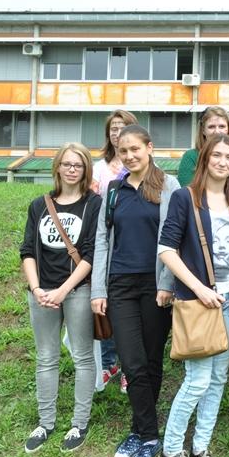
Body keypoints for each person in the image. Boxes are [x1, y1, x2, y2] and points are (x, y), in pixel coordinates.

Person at [157, 133, 229, 457]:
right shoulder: (185, 197)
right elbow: (166, 250)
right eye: (217, 155)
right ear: (206, 158)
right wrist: (198, 289)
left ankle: (200, 447)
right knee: (197, 380)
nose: (223, 162)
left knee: (218, 379)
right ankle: (171, 449)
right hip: (197, 302)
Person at [91, 125, 180, 457]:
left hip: (156, 285)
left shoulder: (169, 186)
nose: (129, 156)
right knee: (132, 362)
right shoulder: (114, 190)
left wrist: (167, 283)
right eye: (123, 150)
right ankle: (149, 434)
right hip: (120, 285)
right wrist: (99, 290)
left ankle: (140, 431)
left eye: (135, 149)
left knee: (151, 361)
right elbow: (102, 240)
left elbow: (174, 236)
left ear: (149, 147)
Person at [20, 143, 102, 454]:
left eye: (78, 165)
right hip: (41, 292)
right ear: (57, 167)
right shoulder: (39, 205)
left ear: (85, 170)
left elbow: (91, 253)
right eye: (66, 164)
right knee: (46, 357)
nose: (71, 169)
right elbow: (28, 250)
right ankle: (46, 422)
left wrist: (64, 290)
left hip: (77, 290)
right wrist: (37, 288)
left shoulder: (93, 204)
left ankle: (79, 423)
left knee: (83, 357)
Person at [90, 109, 137, 393]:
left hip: (133, 245)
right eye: (113, 128)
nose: (117, 132)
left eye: (123, 127)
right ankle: (108, 363)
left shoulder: (140, 164)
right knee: (105, 305)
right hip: (105, 242)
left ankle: (128, 367)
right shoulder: (99, 168)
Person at [178, 107, 229, 187]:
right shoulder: (191, 156)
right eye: (211, 127)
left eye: (222, 126)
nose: (217, 131)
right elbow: (187, 190)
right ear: (203, 131)